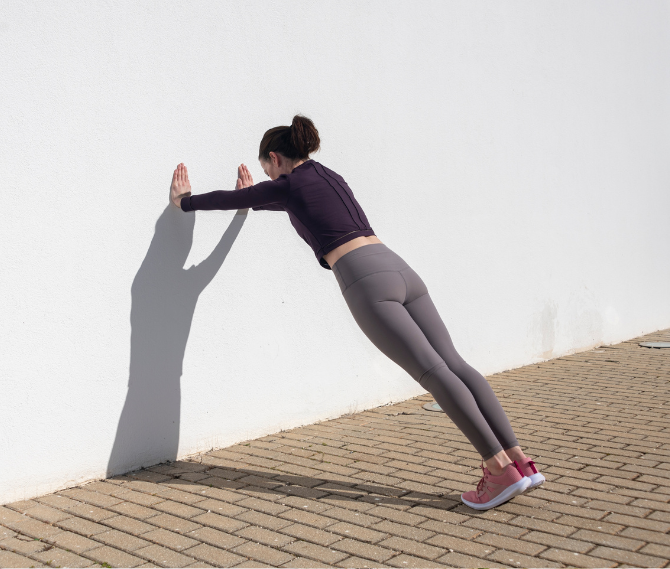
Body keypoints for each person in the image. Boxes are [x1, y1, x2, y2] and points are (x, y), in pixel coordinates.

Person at [168, 115, 545, 510]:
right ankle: (520, 462)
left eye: (266, 168)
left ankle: (498, 471)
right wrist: (259, 194)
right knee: (454, 362)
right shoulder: (326, 175)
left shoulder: (288, 186)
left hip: (365, 280)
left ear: (275, 158)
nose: (267, 177)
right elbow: (294, 203)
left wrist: (184, 201)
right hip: (398, 267)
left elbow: (245, 199)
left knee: (433, 371)